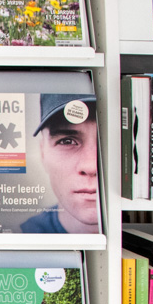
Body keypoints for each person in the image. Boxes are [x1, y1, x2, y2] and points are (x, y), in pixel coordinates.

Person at [18, 94, 99, 235]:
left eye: (110, 141)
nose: (91, 167)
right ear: (43, 153)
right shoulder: (23, 237)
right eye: (67, 141)